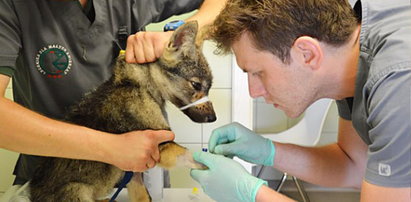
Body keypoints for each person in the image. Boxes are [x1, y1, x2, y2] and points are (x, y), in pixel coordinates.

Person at [190, 0, 411, 201]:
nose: (253, 91)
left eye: (258, 72)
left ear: (307, 53)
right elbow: (354, 166)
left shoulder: (399, 82)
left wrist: (251, 193)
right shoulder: (351, 54)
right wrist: (268, 151)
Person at [0, 0, 226, 196]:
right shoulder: (12, 7)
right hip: (59, 180)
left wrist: (179, 38)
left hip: (142, 177)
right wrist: (109, 147)